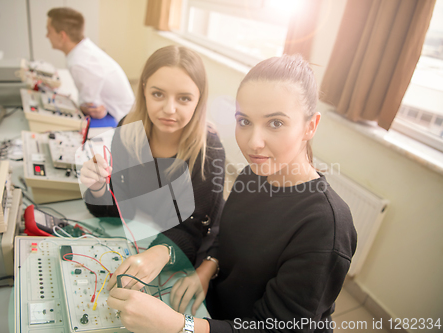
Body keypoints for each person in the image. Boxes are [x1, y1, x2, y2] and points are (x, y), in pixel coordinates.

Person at [106, 54, 357, 333]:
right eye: (245, 121)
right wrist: (207, 268)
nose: (254, 142)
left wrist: (181, 326)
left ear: (310, 125)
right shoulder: (255, 173)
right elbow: (226, 234)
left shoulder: (326, 225)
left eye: (275, 123)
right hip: (214, 313)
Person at [79, 45, 226, 290]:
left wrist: (160, 252)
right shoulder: (128, 131)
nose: (169, 109)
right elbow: (119, 212)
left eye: (184, 98)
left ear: (199, 99)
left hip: (193, 253)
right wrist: (98, 189)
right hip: (146, 236)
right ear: (144, 89)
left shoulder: (209, 152)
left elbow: (194, 230)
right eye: (158, 94)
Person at [46, 7, 135, 127]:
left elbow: (92, 109)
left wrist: (83, 106)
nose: (46, 35)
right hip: (123, 108)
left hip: (121, 118)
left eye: (49, 31)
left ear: (62, 36)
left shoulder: (79, 63)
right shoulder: (82, 48)